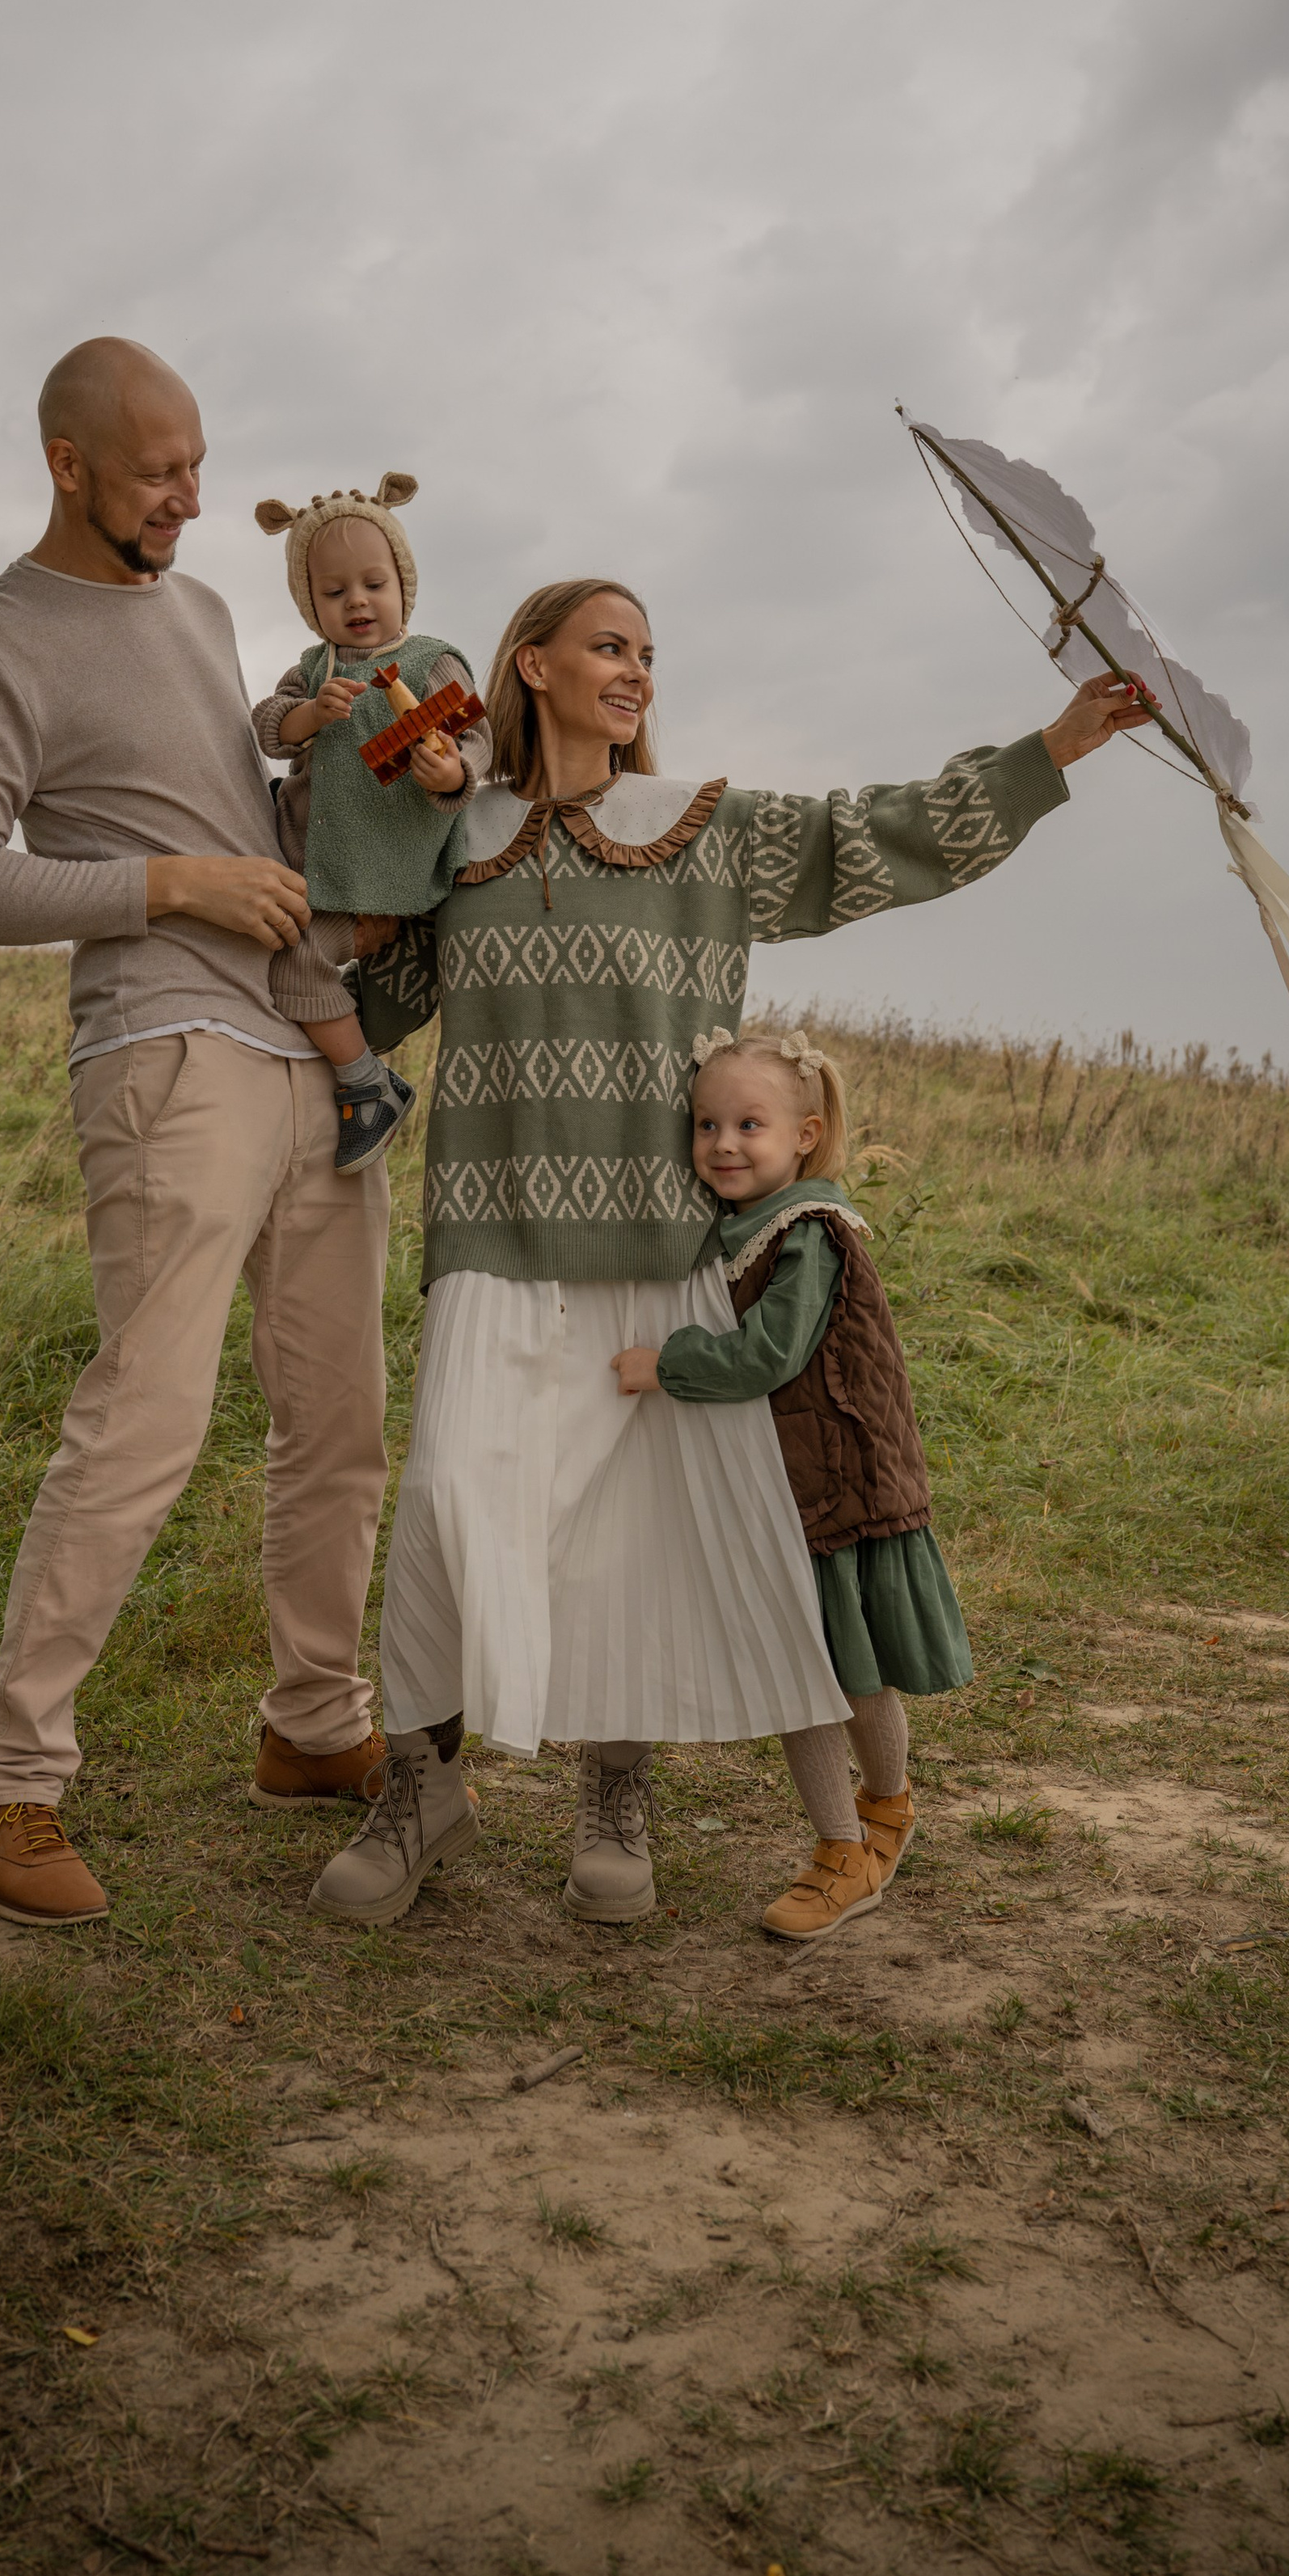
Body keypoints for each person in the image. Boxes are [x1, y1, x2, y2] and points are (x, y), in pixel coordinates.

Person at [303, 575, 1148, 1926]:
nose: (636, 670)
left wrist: (1049, 753)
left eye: (647, 651)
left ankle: (614, 1789)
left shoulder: (705, 831)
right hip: (495, 1232)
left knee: (622, 1534)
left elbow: (878, 835)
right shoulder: (455, 836)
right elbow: (366, 1000)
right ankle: (424, 1789)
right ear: (529, 665)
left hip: (657, 1239)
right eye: (607, 646)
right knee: (451, 1512)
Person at [0, 337, 398, 1930]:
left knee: (335, 1423)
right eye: (160, 473)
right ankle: (6, 1788)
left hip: (306, 1052)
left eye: (197, 463)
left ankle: (311, 1726)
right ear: (69, 465)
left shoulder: (193, 608)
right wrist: (168, 884)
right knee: (146, 1422)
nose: (193, 499)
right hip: (164, 1049)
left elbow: (241, 791)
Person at [616, 1028, 969, 1940]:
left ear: (806, 1135)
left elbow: (771, 1353)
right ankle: (847, 1836)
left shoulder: (808, 1232)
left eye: (748, 1125)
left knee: (842, 1672)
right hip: (789, 1494)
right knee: (801, 1670)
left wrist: (669, 1364)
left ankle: (871, 1825)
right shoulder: (742, 1227)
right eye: (705, 1124)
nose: (722, 1144)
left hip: (839, 1487)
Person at [247, 472, 489, 1174]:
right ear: (310, 603)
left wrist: (452, 773)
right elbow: (269, 728)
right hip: (315, 862)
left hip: (386, 871)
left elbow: (477, 742)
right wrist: (310, 715)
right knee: (282, 960)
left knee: (295, 966)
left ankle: (367, 1086)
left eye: (374, 584)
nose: (356, 601)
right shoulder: (314, 670)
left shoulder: (429, 662)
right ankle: (348, 1060)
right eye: (333, 591)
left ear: (402, 586)